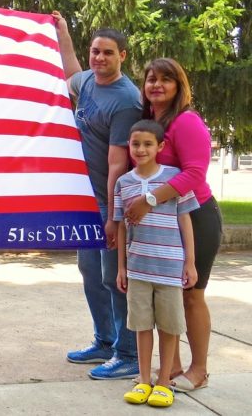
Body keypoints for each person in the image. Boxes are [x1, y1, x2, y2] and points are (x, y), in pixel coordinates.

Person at [124, 58, 223, 392]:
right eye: (151, 79)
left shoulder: (186, 121)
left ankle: (199, 369)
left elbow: (195, 173)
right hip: (160, 223)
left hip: (195, 216)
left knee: (192, 296)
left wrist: (149, 200)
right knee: (169, 297)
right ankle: (173, 368)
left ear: (179, 85)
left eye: (166, 79)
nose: (157, 85)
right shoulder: (150, 123)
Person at [52, 12, 142, 379]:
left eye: (107, 53)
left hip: (109, 200)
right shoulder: (88, 80)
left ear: (122, 55)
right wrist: (64, 31)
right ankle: (104, 341)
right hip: (85, 198)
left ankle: (128, 353)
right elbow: (70, 70)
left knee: (115, 278)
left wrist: (112, 217)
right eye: (95, 52)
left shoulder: (126, 100)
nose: (99, 58)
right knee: (90, 272)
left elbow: (117, 164)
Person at [114, 119, 199, 407]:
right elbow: (123, 225)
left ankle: (164, 383)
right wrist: (122, 267)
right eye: (135, 143)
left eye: (148, 143)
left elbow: (185, 219)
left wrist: (190, 263)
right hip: (138, 268)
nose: (140, 149)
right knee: (141, 326)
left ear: (160, 146)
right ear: (129, 145)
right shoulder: (123, 182)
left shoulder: (173, 178)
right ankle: (143, 379)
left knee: (169, 326)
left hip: (170, 268)